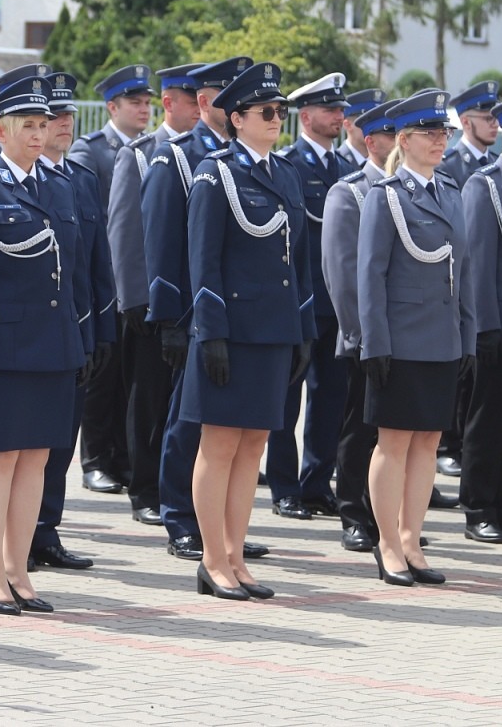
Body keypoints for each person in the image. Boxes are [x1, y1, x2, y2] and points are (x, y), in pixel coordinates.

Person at [0, 76, 88, 615]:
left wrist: (78, 340)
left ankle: (18, 569)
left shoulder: (56, 186)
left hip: (51, 345)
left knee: (37, 460)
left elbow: (70, 275)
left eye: (42, 124)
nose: (39, 133)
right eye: (26, 125)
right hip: (2, 347)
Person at [184, 62, 315, 601]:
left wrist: (303, 328)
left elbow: (300, 260)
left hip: (273, 331)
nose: (276, 119)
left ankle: (237, 556)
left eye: (281, 111)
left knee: (254, 446)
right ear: (236, 118)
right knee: (219, 447)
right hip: (230, 332)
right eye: (267, 112)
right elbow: (203, 259)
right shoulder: (215, 174)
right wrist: (210, 331)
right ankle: (212, 560)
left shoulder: (285, 174)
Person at [142, 56, 268, 563]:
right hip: (194, 315)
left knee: (234, 427)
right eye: (223, 95)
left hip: (240, 317)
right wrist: (168, 315)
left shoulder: (247, 158)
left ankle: (223, 530)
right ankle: (180, 518)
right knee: (187, 422)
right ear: (203, 102)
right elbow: (162, 240)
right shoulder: (176, 157)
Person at [358, 89, 475, 586]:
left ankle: (412, 539)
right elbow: (369, 275)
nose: (439, 140)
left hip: (441, 338)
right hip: (401, 340)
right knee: (395, 442)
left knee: (427, 442)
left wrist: (466, 338)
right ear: (402, 140)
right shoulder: (385, 197)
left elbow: (463, 272)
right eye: (429, 133)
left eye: (443, 132)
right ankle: (387, 544)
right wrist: (376, 343)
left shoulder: (450, 191)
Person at [107, 63, 202, 526]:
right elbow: (125, 232)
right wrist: (135, 300)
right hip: (152, 304)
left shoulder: (207, 154)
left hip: (196, 301)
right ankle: (145, 489)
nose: (202, 109)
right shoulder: (143, 154)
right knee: (149, 400)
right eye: (192, 99)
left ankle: (186, 492)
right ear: (171, 103)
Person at [31, 71, 114, 570]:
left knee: (61, 439)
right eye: (52, 117)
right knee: (22, 444)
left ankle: (46, 530)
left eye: (66, 116)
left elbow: (97, 265)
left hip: (74, 329)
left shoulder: (82, 179)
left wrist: (101, 330)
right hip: (26, 333)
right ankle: (13, 532)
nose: (63, 124)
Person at [265, 73, 350, 521]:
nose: (339, 117)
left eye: (341, 110)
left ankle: (317, 482)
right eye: (331, 110)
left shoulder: (344, 169)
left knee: (330, 397)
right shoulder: (288, 165)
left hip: (335, 303)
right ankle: (284, 486)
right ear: (308, 115)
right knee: (286, 397)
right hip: (300, 300)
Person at [70, 64, 153, 495]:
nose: (143, 109)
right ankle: (95, 459)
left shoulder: (152, 150)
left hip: (136, 283)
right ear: (111, 107)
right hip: (103, 282)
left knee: (130, 380)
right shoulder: (91, 152)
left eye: (146, 102)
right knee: (102, 378)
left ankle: (122, 458)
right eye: (134, 102)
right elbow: (94, 224)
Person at [320, 98, 397, 552]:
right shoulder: (349, 193)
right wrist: (359, 334)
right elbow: (342, 273)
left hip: (405, 335)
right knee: (358, 428)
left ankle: (388, 517)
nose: (399, 145)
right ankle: (353, 512)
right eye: (392, 136)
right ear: (372, 142)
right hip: (366, 336)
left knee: (393, 431)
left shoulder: (410, 191)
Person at [434, 80, 500, 480]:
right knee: (469, 389)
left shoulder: (489, 167)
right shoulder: (452, 167)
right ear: (465, 121)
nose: (493, 125)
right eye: (485, 117)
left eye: (496, 118)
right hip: (456, 286)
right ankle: (448, 444)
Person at [462, 102, 502, 545]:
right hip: (497, 323)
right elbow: (477, 260)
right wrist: (485, 327)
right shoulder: (486, 185)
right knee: (487, 420)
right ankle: (480, 507)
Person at [338, 89, 386, 170]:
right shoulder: (337, 163)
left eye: (377, 121)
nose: (375, 127)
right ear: (347, 125)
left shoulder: (384, 163)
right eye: (367, 121)